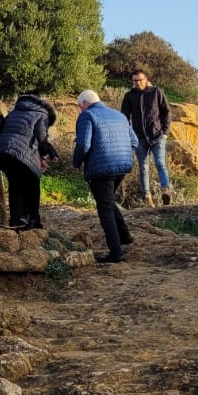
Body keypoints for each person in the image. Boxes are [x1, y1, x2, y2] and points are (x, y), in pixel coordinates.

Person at [72, 90, 137, 264]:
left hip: (101, 169)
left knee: (104, 208)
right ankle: (124, 236)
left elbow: (83, 145)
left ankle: (116, 253)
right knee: (107, 200)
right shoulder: (119, 116)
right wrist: (120, 153)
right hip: (122, 166)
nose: (80, 110)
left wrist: (76, 163)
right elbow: (134, 142)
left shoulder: (87, 115)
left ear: (84, 103)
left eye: (79, 106)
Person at [0, 94, 58, 231]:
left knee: (16, 185)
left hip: (0, 152)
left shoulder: (15, 111)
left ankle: (16, 221)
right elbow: (41, 138)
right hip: (19, 153)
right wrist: (43, 154)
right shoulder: (42, 114)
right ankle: (33, 220)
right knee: (33, 184)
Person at [121, 69, 173, 206]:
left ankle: (165, 190)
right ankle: (147, 197)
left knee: (160, 163)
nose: (137, 83)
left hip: (157, 135)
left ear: (146, 79)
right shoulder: (129, 96)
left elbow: (166, 112)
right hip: (139, 137)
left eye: (140, 80)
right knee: (143, 167)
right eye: (135, 81)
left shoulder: (157, 92)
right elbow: (124, 117)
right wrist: (129, 135)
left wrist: (165, 132)